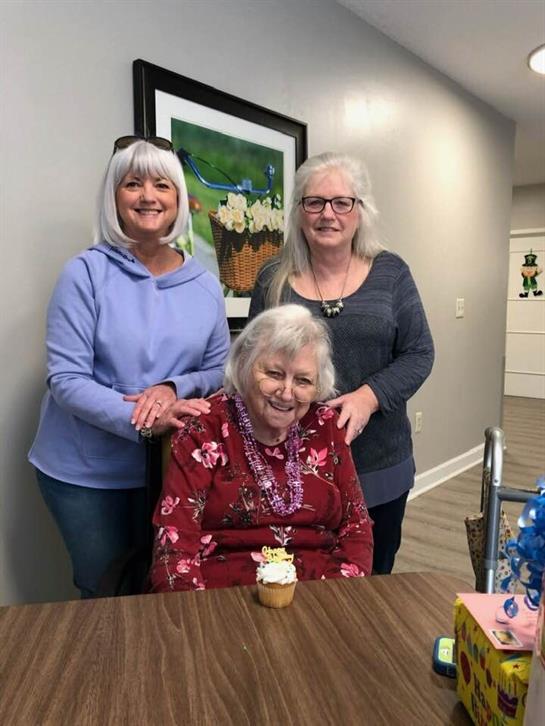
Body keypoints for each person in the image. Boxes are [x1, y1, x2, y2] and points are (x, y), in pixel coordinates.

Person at [28, 136, 230, 598]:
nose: (147, 196)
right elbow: (66, 379)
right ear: (113, 197)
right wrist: (145, 419)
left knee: (161, 588)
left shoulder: (204, 284)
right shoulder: (84, 273)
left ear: (179, 199)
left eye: (162, 184)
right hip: (84, 474)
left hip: (173, 469)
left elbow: (219, 370)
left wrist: (173, 387)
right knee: (104, 594)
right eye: (132, 183)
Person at [249, 152, 434, 574]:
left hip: (378, 465)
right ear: (299, 213)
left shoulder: (391, 273)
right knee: (293, 579)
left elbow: (420, 352)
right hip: (290, 468)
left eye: (341, 202)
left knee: (372, 581)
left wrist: (369, 398)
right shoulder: (272, 278)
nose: (327, 214)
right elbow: (253, 363)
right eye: (314, 202)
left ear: (359, 212)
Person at [149, 304, 373, 592]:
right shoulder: (204, 432)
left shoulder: (327, 427)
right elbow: (174, 548)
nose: (287, 392)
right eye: (275, 374)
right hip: (222, 600)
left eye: (303, 380)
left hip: (318, 595)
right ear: (244, 365)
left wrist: (334, 603)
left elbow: (357, 529)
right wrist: (199, 624)